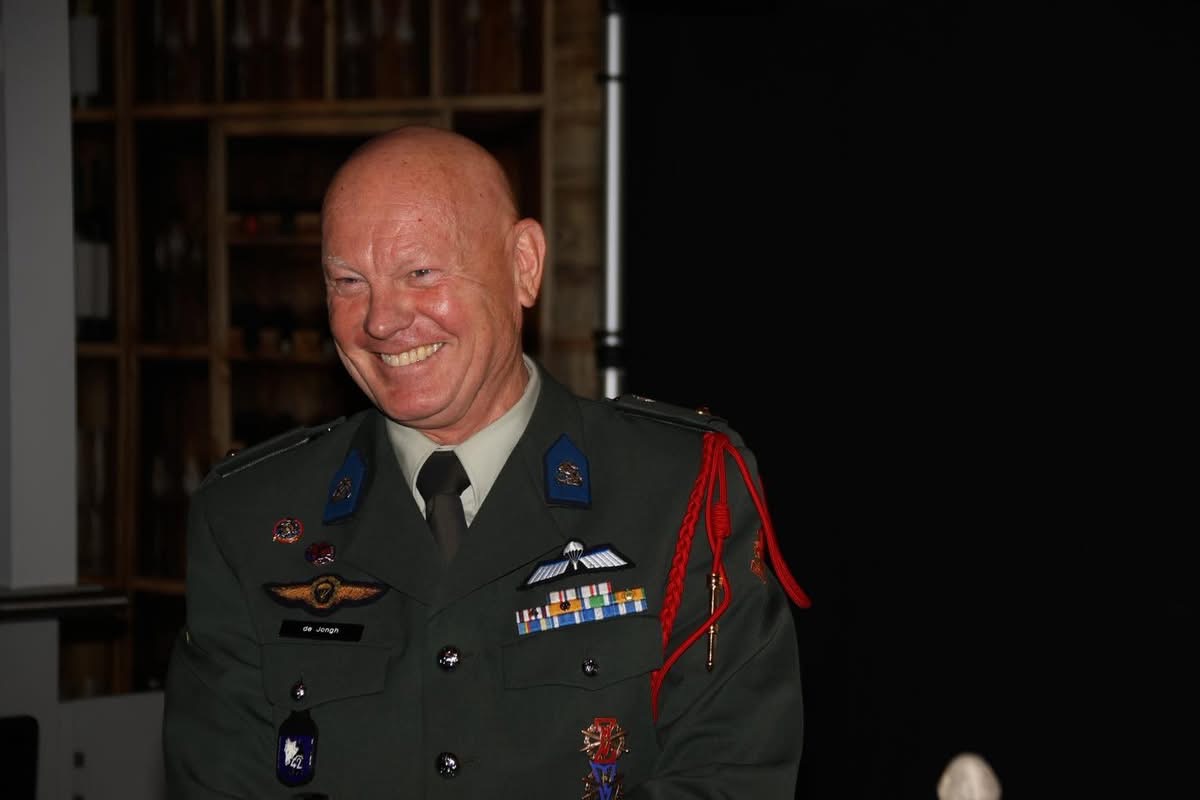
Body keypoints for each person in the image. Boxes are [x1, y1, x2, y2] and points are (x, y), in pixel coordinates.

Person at [163, 124, 809, 798]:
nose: (380, 320)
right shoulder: (249, 517)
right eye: (349, 282)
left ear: (524, 265)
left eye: (420, 273)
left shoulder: (679, 489)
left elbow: (731, 776)